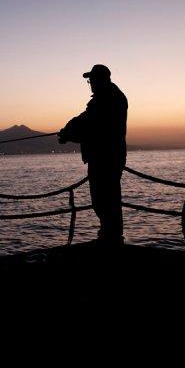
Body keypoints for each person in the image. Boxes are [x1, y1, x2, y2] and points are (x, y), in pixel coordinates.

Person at [58, 64, 128, 247]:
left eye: (92, 80)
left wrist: (68, 135)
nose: (91, 84)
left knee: (105, 201)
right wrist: (69, 131)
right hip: (108, 157)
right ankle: (110, 236)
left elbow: (91, 128)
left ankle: (111, 239)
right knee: (105, 201)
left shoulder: (106, 100)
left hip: (105, 158)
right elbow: (85, 121)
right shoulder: (109, 98)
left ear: (101, 80)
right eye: (90, 81)